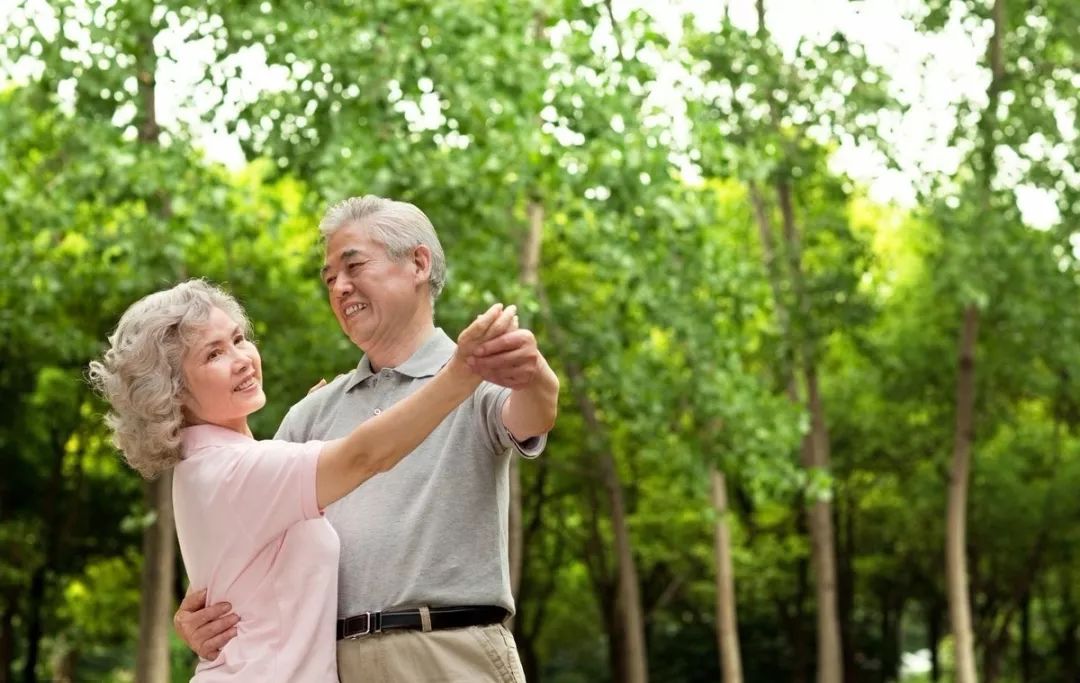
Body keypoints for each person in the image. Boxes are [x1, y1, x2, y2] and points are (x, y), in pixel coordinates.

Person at [175, 195, 560, 682]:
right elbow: (250, 539)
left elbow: (533, 414)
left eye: (353, 265)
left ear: (418, 263)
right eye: (329, 277)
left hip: (448, 653)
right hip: (335, 665)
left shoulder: (474, 373)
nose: (340, 286)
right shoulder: (310, 414)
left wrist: (536, 379)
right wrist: (193, 611)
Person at [89, 278, 518, 681]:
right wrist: (460, 373)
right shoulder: (231, 472)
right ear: (173, 391)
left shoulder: (219, 466)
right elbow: (364, 456)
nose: (241, 360)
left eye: (239, 340)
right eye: (213, 354)